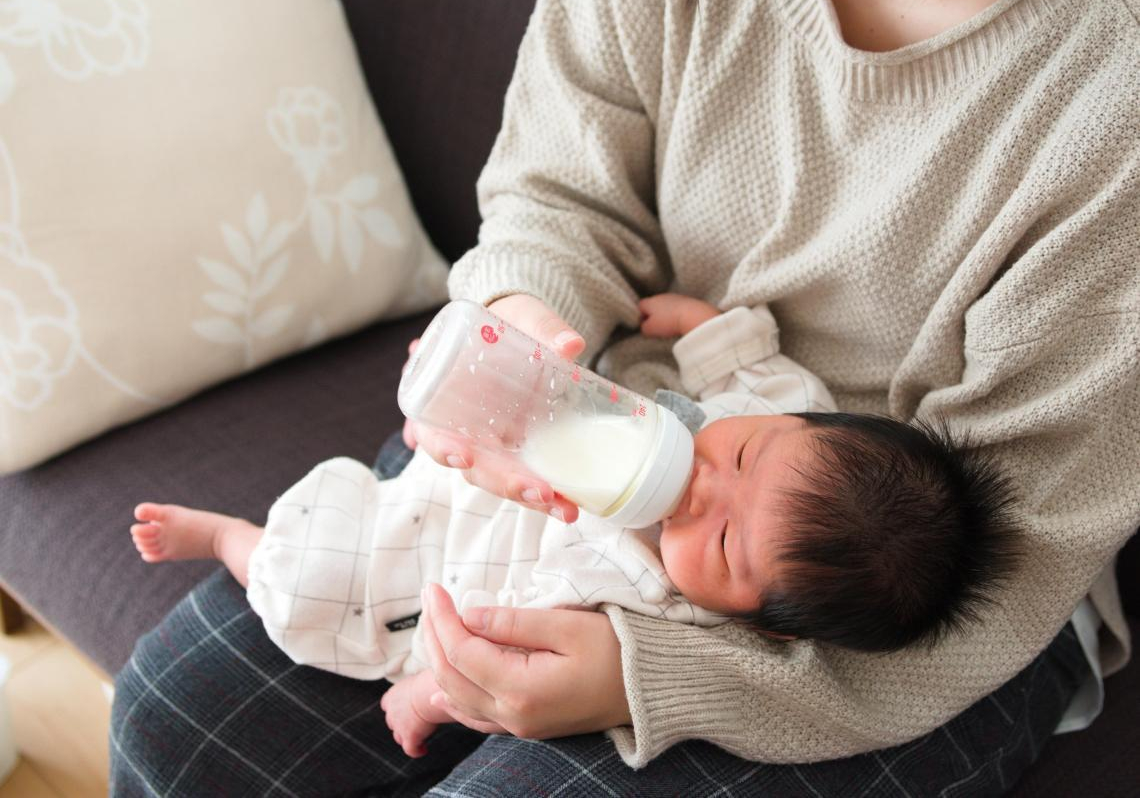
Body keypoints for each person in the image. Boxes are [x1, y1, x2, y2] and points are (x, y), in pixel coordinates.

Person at [110, 0, 1139, 794]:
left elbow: (1017, 553)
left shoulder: (1110, 92)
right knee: (175, 731)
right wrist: (519, 341)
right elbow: (558, 197)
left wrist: (651, 674)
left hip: (911, 603)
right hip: (626, 413)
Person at [127, 293, 1019, 758]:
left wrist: (431, 693)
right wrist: (708, 328)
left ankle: (226, 538)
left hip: (435, 566)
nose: (706, 484)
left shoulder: (643, 602)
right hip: (466, 474)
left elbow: (505, 645)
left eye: (720, 544)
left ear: (751, 619)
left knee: (313, 573)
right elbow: (759, 368)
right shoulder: (787, 417)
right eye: (744, 459)